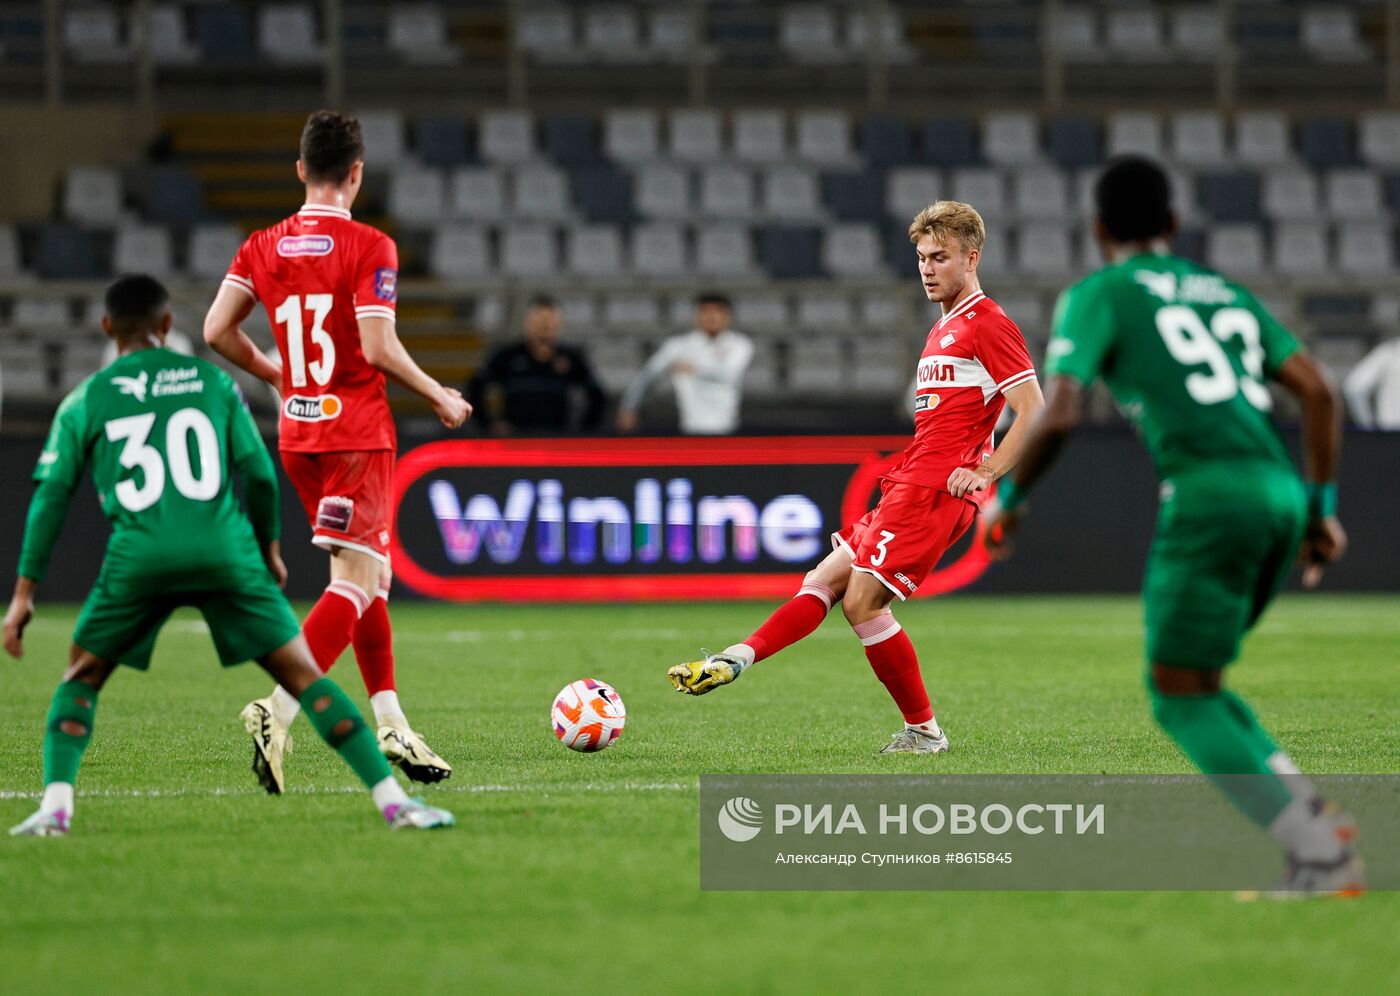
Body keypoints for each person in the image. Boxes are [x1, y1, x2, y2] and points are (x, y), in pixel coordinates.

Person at [983, 156, 1362, 897]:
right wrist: (1320, 512)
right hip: (1279, 493)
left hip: (1208, 496)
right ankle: (1315, 827)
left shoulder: (1101, 293)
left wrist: (1010, 498)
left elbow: (1060, 411)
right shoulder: (1225, 290)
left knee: (1179, 696)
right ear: (1173, 226)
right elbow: (1319, 392)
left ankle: (1319, 855)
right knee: (1202, 684)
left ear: (1098, 231)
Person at [3, 276, 453, 835]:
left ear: (106, 328)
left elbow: (50, 497)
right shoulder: (212, 382)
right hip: (225, 554)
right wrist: (268, 549)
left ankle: (55, 809)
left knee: (80, 677)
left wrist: (24, 594)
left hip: (137, 559)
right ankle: (395, 804)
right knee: (306, 679)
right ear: (168, 326)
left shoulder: (86, 399)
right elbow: (259, 473)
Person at [669, 202, 1044, 754]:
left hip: (932, 491)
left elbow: (1034, 411)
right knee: (823, 580)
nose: (927, 269)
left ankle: (924, 732)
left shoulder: (987, 322)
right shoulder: (945, 326)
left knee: (862, 602)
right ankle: (734, 659)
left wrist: (985, 470)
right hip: (909, 480)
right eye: (921, 258)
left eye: (940, 258)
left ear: (972, 257)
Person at [203, 110, 471, 791]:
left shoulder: (261, 245)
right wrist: (436, 391)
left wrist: (275, 373)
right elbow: (377, 348)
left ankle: (390, 721)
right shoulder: (370, 245)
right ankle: (277, 707)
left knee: (366, 576)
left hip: (298, 432)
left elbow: (216, 331)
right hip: (355, 432)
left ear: (301, 170)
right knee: (356, 580)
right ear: (356, 173)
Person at [616, 293, 753, 435]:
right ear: (697, 315)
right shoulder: (678, 346)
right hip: (690, 428)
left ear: (727, 315)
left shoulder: (740, 344)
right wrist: (629, 407)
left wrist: (694, 369)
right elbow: (647, 375)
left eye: (718, 311)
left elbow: (729, 374)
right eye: (705, 311)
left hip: (728, 427)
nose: (712, 316)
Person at [468, 294, 606, 434]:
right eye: (539, 322)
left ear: (559, 325)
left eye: (550, 322)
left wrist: (582, 429)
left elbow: (596, 394)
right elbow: (476, 387)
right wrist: (488, 424)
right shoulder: (508, 355)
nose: (544, 327)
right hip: (515, 439)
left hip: (557, 439)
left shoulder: (571, 357)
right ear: (527, 323)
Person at [1341, 336, 1400, 429]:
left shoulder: (1389, 352)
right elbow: (1354, 389)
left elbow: (1354, 388)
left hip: (1390, 434)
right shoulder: (1390, 352)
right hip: (1391, 432)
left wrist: (1368, 427)